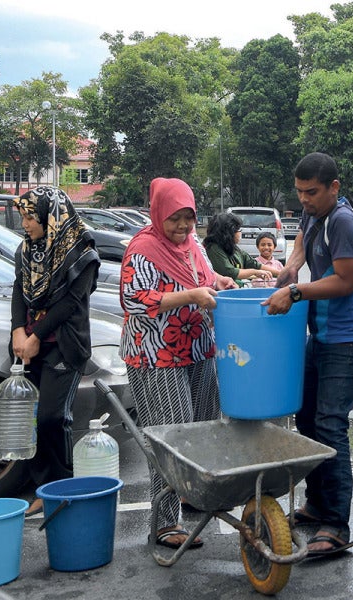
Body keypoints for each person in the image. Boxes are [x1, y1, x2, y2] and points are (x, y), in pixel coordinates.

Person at [264, 152, 353, 558]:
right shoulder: (316, 214)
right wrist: (293, 267)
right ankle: (316, 504)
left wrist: (295, 291)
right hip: (323, 334)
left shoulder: (345, 222)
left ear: (334, 187)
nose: (304, 200)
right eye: (299, 192)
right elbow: (301, 239)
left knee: (329, 423)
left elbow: (345, 281)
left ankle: (337, 524)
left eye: (311, 192)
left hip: (347, 339)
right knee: (308, 416)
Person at [120, 177, 235, 550]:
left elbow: (203, 277)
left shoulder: (192, 245)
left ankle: (188, 493)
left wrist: (222, 281)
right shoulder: (143, 248)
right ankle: (164, 521)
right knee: (169, 435)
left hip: (197, 348)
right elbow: (134, 299)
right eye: (175, 219)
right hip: (157, 356)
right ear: (158, 214)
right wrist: (190, 295)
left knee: (199, 427)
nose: (183, 226)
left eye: (188, 217)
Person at [10, 186, 101, 517]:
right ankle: (41, 488)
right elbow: (19, 290)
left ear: (51, 216)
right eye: (23, 217)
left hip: (63, 345)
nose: (26, 225)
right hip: (30, 345)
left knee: (51, 417)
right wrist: (19, 330)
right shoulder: (28, 248)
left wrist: (36, 336)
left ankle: (61, 487)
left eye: (30, 217)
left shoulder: (81, 250)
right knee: (30, 419)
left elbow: (71, 303)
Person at [203, 212, 275, 288]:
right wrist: (254, 272)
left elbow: (255, 265)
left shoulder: (234, 249)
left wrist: (281, 273)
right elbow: (230, 272)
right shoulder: (214, 249)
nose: (240, 232)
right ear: (229, 232)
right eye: (238, 229)